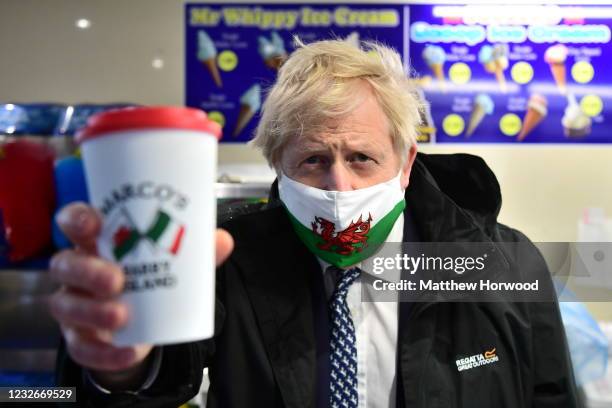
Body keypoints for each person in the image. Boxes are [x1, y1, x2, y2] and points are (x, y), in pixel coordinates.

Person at [50, 39, 578, 407]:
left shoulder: (499, 263)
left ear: (407, 161)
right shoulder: (231, 260)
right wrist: (119, 369)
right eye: (313, 161)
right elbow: (155, 380)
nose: (340, 188)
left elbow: (550, 395)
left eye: (362, 158)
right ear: (277, 165)